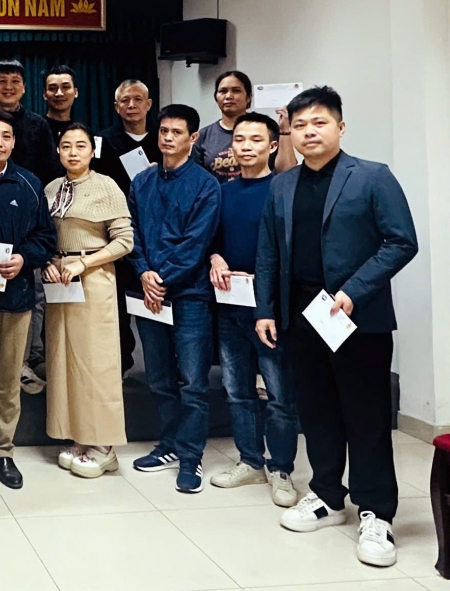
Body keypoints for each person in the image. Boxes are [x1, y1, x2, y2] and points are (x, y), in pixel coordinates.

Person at [255, 87, 417, 568]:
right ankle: (327, 495)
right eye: (300, 125)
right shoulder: (282, 185)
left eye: (320, 122)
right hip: (302, 319)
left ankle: (377, 513)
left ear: (340, 128)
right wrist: (266, 309)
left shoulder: (372, 176)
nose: (309, 132)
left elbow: (401, 242)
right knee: (317, 412)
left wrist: (353, 291)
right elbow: (268, 251)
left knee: (366, 417)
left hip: (356, 318)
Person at [207, 113, 299, 507]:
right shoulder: (223, 191)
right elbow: (213, 240)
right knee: (237, 390)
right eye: (240, 139)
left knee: (278, 394)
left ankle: (281, 468)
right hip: (231, 305)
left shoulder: (283, 190)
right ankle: (249, 460)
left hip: (271, 308)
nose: (246, 146)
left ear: (273, 145)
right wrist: (215, 258)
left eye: (256, 140)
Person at [128, 104, 220, 494]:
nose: (167, 138)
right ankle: (168, 444)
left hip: (188, 295)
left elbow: (196, 243)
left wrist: (161, 280)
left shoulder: (206, 185)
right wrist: (143, 272)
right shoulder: (142, 182)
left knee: (193, 382)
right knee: (160, 379)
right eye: (163, 131)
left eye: (176, 132)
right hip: (148, 293)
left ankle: (190, 456)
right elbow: (131, 233)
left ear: (193, 138)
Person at [0, 110, 56, 490]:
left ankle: (2, 451)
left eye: (6, 136)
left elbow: (46, 238)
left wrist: (24, 258)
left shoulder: (29, 183)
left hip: (15, 297)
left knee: (7, 382)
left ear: (14, 142)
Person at [42, 123, 134, 480]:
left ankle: (105, 447)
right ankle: (80, 437)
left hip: (94, 277)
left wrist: (84, 263)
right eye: (66, 145)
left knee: (97, 362)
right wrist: (49, 261)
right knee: (65, 360)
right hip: (59, 280)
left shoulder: (106, 185)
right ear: (58, 151)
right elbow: (44, 235)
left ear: (92, 151)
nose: (73, 152)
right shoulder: (51, 188)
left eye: (80, 145)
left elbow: (124, 241)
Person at [92, 79, 164, 376]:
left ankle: (165, 366)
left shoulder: (163, 138)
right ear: (116, 107)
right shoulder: (102, 140)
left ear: (149, 104)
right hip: (116, 230)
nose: (131, 105)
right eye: (125, 100)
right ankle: (121, 362)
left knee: (158, 294)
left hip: (159, 232)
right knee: (118, 301)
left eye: (137, 99)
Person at [194, 70, 297, 182]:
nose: (228, 96)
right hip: (219, 192)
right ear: (216, 97)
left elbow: (287, 171)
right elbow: (197, 177)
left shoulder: (265, 128)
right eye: (223, 91)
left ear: (248, 97)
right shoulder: (204, 135)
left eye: (236, 90)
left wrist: (285, 131)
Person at [43, 65, 81, 149]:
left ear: (75, 92)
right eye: (52, 88)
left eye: (65, 87)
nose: (59, 93)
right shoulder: (35, 130)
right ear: (44, 94)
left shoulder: (82, 133)